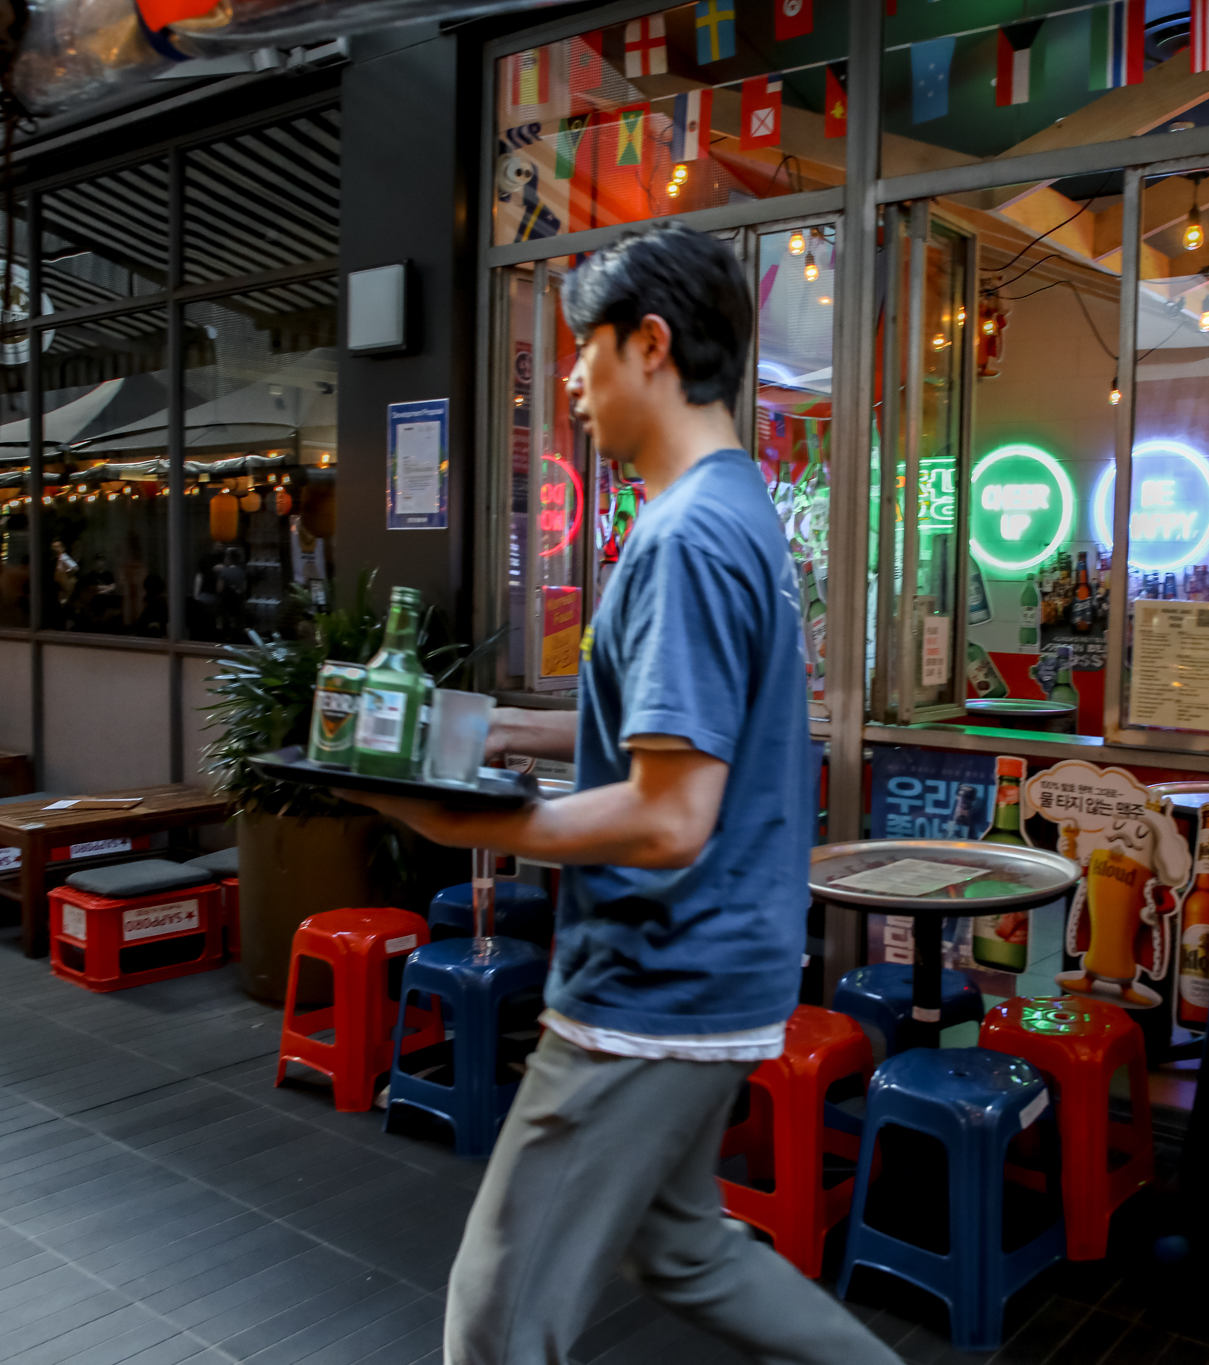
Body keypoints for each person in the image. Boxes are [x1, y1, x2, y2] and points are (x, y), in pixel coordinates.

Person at [337, 223, 902, 1365]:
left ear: (649, 345)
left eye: (581, 350)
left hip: (654, 980)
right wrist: (493, 728)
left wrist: (472, 819)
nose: (569, 384)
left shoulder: (684, 535)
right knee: (681, 1248)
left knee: (495, 1316)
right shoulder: (734, 507)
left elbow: (668, 813)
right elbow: (676, 735)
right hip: (716, 967)